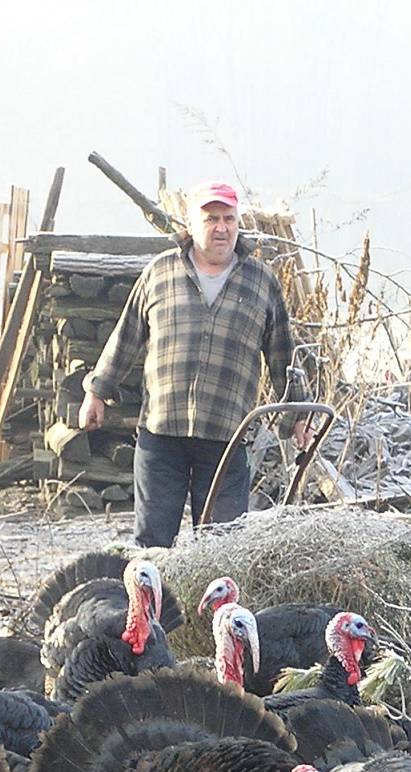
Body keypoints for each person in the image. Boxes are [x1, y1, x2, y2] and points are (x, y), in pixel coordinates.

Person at [80, 181, 309, 548]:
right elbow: (127, 337)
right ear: (191, 223)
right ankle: (154, 607)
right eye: (211, 218)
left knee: (222, 546)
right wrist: (97, 391)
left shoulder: (261, 282)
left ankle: (213, 607)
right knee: (153, 545)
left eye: (229, 219)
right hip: (162, 433)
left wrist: (298, 414)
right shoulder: (161, 272)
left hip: (227, 436)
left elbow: (284, 354)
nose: (221, 227)